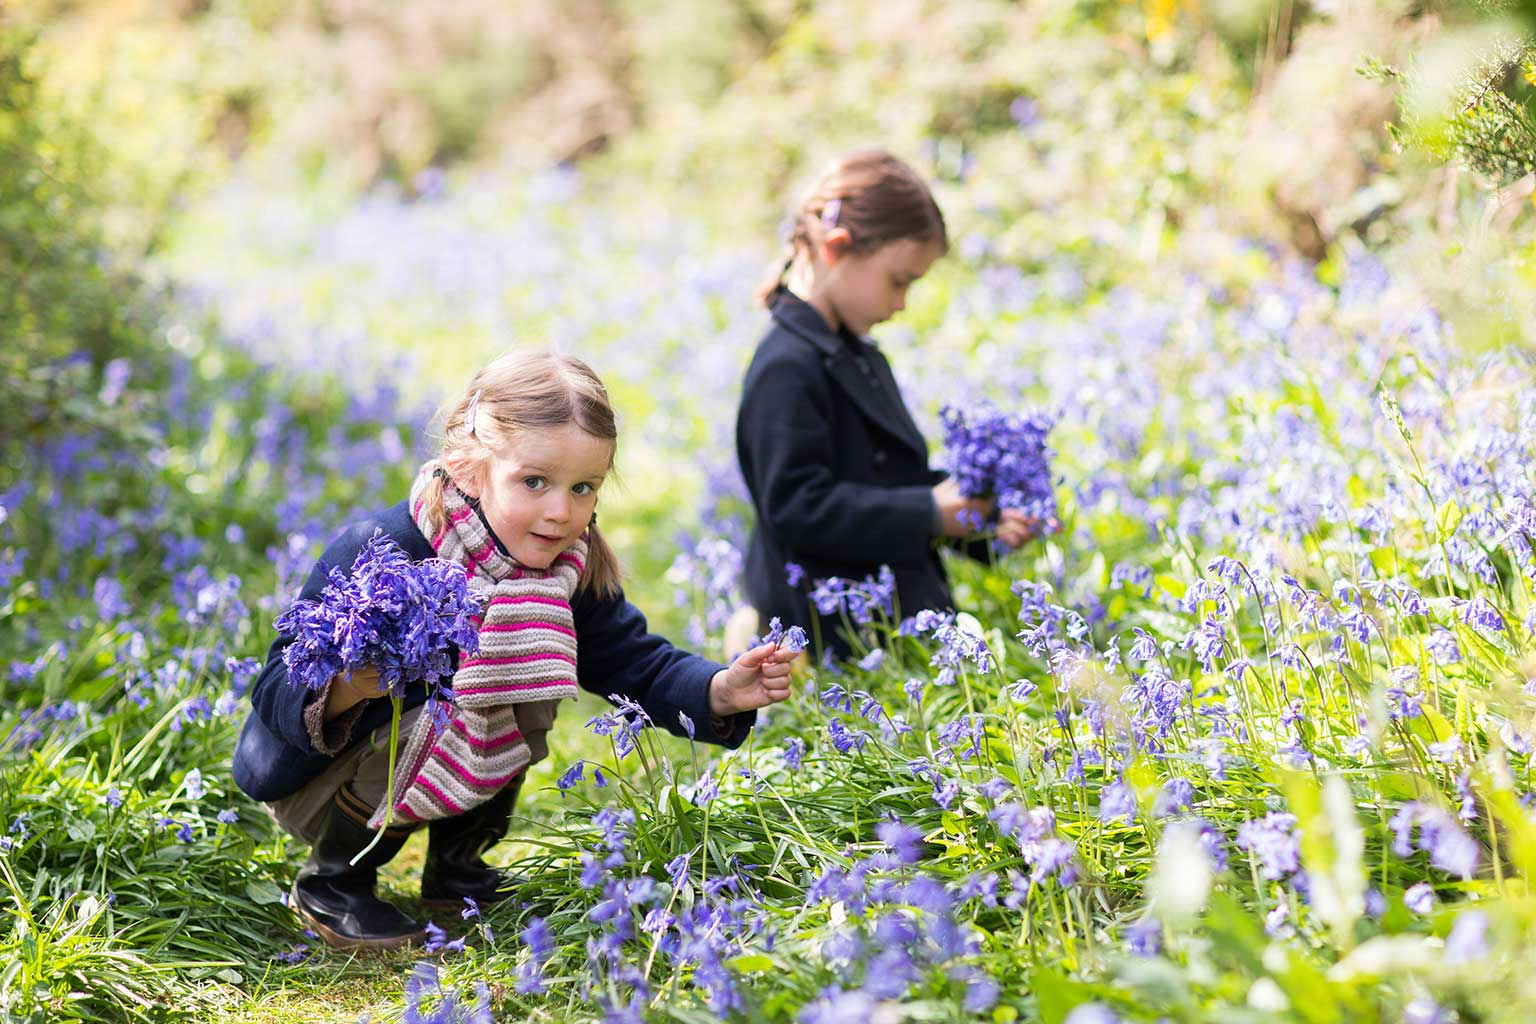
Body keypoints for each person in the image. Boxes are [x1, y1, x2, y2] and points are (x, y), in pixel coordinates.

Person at [233, 352, 796, 950]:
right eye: (535, 482)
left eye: (583, 488)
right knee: (447, 707)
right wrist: (349, 686)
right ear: (470, 468)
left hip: (415, 767)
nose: (561, 511)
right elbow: (274, 687)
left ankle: (457, 869)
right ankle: (334, 884)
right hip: (316, 780)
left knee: (519, 684)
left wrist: (717, 690)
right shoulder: (384, 551)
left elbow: (630, 659)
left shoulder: (560, 569)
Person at [735, 149, 1044, 654]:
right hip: (835, 644)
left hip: (892, 627)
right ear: (836, 248)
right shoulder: (787, 366)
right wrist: (927, 513)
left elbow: (890, 481)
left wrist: (978, 521)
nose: (901, 303)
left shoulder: (856, 354)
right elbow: (797, 509)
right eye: (898, 281)